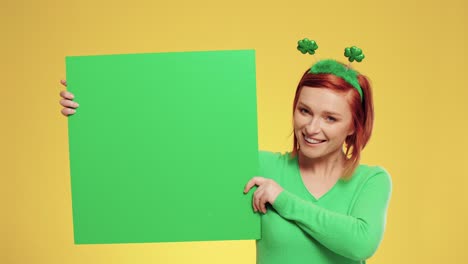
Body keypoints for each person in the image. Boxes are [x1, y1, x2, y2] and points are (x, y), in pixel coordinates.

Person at [59, 44, 392, 264]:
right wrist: (92, 111)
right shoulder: (261, 166)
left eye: (330, 118)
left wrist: (282, 198)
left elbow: (360, 243)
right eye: (304, 111)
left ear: (354, 126)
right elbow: (172, 153)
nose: (311, 127)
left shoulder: (371, 181)